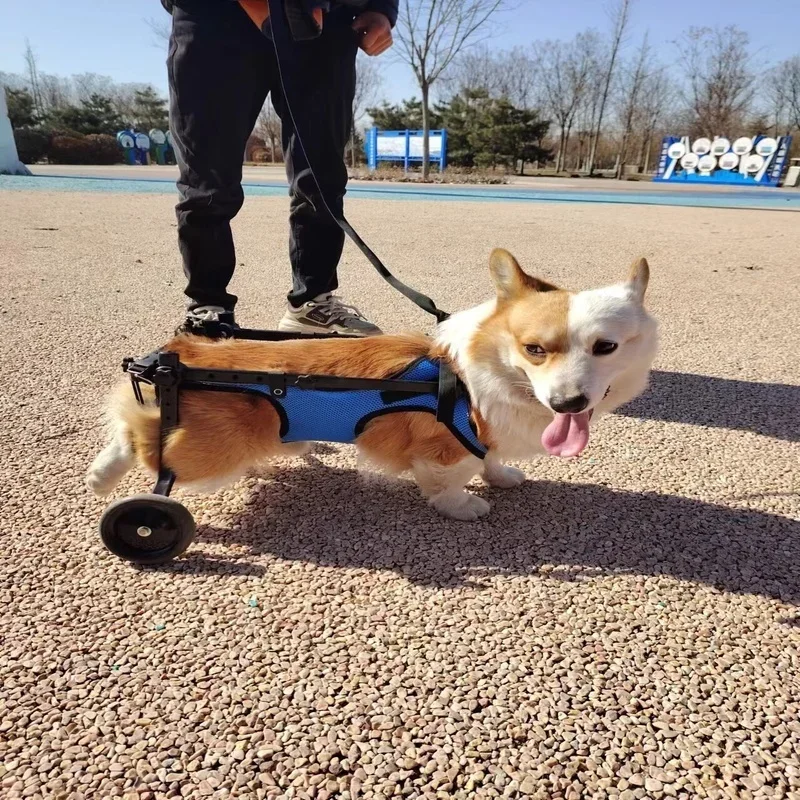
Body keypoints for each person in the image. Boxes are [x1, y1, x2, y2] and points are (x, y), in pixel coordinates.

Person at [162, 0, 397, 336]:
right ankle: (208, 307)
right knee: (208, 178)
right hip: (217, 14)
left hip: (326, 21)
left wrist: (381, 8)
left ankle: (312, 304)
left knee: (321, 178)